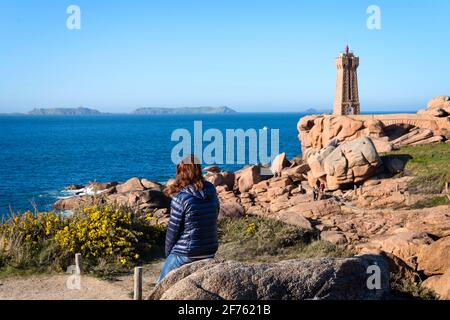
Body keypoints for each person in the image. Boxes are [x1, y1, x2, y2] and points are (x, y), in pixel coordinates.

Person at [157, 155, 220, 283]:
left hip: (187, 252)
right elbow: (215, 214)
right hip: (209, 250)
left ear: (181, 173)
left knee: (160, 285)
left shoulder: (180, 198)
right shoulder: (211, 190)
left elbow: (172, 232)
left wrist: (169, 255)